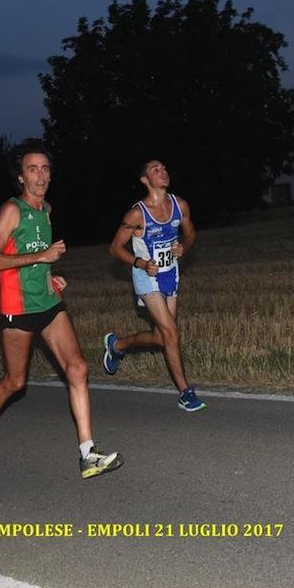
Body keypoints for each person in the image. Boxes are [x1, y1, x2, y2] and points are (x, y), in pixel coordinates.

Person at [0, 149, 123, 479]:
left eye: (46, 169)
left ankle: (87, 453)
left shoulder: (46, 210)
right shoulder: (11, 210)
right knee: (15, 381)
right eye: (32, 170)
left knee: (77, 367)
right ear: (21, 177)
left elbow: (36, 259)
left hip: (47, 302)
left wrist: (49, 273)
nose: (40, 175)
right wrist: (42, 255)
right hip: (17, 308)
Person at [101, 159, 204, 411]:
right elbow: (114, 248)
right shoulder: (137, 214)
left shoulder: (180, 205)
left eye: (165, 168)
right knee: (171, 333)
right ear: (145, 180)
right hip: (146, 276)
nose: (163, 172)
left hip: (171, 273)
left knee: (161, 337)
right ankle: (185, 392)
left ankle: (117, 346)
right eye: (155, 170)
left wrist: (184, 247)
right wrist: (140, 263)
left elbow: (190, 234)